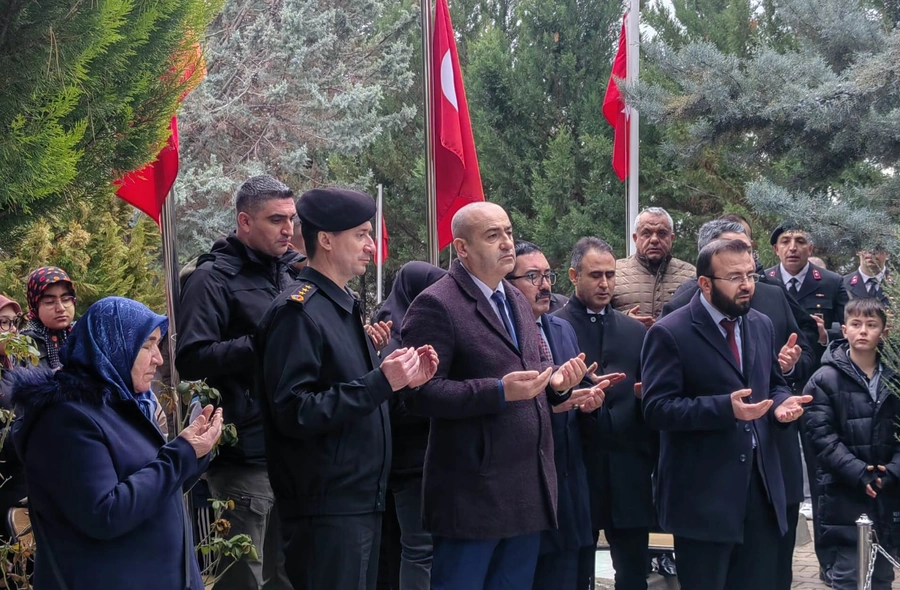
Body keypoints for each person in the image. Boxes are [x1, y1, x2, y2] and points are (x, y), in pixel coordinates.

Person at [400, 202, 598, 590]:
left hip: (526, 491)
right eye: (493, 236)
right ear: (462, 248)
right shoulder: (436, 303)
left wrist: (558, 384)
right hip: (472, 496)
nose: (507, 243)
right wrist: (496, 391)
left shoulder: (515, 299)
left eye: (508, 232)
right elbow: (418, 394)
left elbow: (535, 373)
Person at [257, 187, 439, 590]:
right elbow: (295, 411)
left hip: (360, 499)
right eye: (361, 235)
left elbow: (357, 397)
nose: (371, 246)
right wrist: (381, 381)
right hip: (326, 506)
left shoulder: (340, 305)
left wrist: (402, 384)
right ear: (325, 240)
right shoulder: (299, 312)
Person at [9, 296, 223, 590]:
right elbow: (105, 513)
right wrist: (180, 454)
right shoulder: (65, 420)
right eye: (147, 345)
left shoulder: (123, 404)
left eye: (158, 345)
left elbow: (154, 490)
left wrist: (195, 453)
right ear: (113, 344)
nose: (159, 358)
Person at [641, 238, 811, 590]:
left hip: (760, 491)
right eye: (735, 277)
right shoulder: (670, 332)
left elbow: (773, 384)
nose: (747, 285)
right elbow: (657, 409)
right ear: (705, 284)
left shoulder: (760, 324)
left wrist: (782, 404)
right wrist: (723, 408)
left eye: (750, 274)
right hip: (703, 499)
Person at [176, 175, 298, 590]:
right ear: (245, 222)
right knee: (244, 578)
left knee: (288, 575)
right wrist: (260, 344)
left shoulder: (289, 272)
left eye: (292, 219)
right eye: (276, 220)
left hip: (292, 446)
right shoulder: (212, 278)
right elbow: (191, 359)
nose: (288, 229)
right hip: (244, 454)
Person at [552, 237, 653, 590]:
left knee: (634, 574)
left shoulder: (634, 330)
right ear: (574, 276)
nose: (605, 284)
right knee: (576, 574)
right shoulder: (554, 328)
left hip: (629, 470)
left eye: (611, 275)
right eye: (596, 275)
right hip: (577, 468)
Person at [506, 240, 606, 590]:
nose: (545, 285)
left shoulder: (561, 328)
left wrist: (589, 401)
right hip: (526, 490)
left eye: (548, 275)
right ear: (506, 284)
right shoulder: (503, 334)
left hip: (570, 486)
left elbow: (574, 393)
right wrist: (552, 401)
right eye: (533, 276)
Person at [765, 223, 849, 584]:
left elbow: (849, 330)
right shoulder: (763, 281)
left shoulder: (831, 282)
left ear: (810, 248)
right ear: (775, 249)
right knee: (777, 477)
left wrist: (825, 334)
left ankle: (829, 561)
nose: (793, 247)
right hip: (774, 393)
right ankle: (773, 559)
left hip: (817, 391)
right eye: (785, 241)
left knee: (822, 479)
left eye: (800, 241)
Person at [803, 298, 900, 590]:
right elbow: (821, 436)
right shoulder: (824, 379)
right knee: (848, 573)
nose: (863, 331)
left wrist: (892, 471)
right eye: (856, 324)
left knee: (881, 574)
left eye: (871, 325)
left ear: (884, 332)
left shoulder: (895, 378)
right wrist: (858, 472)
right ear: (844, 330)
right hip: (843, 490)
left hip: (887, 489)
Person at [372, 261, 447, 590]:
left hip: (419, 462)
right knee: (419, 549)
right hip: (412, 465)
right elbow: (392, 407)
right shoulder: (396, 341)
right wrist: (429, 397)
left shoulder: (408, 333)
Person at [612, 207, 695, 328]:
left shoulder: (691, 275)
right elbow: (596, 314)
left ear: (671, 238)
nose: (654, 240)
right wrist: (624, 319)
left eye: (662, 233)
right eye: (646, 233)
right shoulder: (613, 272)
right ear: (635, 238)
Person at [21, 266, 77, 370]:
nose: (60, 308)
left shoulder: (85, 336)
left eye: (66, 299)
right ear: (34, 306)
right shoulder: (22, 344)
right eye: (49, 302)